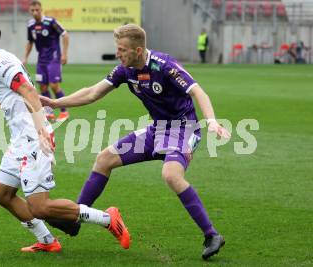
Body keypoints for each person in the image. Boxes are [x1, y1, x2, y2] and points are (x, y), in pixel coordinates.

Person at [0, 19, 130, 252]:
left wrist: (40, 129)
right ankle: (48, 241)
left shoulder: (0, 61)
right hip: (21, 140)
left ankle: (108, 219)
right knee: (3, 194)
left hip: (33, 139)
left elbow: (29, 91)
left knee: (40, 206)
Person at [40, 24, 231, 260]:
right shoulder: (124, 70)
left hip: (183, 129)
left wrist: (211, 121)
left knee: (171, 175)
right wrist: (55, 103)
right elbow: (92, 93)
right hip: (157, 129)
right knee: (104, 159)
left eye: (122, 50)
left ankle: (212, 234)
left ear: (138, 50)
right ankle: (74, 219)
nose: (118, 54)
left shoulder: (164, 65)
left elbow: (198, 92)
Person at [23, 0, 70, 122]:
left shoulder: (50, 22)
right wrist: (25, 58)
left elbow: (65, 34)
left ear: (41, 9)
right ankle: (49, 113)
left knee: (54, 86)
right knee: (43, 87)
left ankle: (64, 112)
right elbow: (30, 42)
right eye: (32, 10)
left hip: (54, 58)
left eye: (37, 10)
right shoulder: (30, 25)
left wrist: (64, 54)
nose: (34, 12)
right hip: (41, 59)